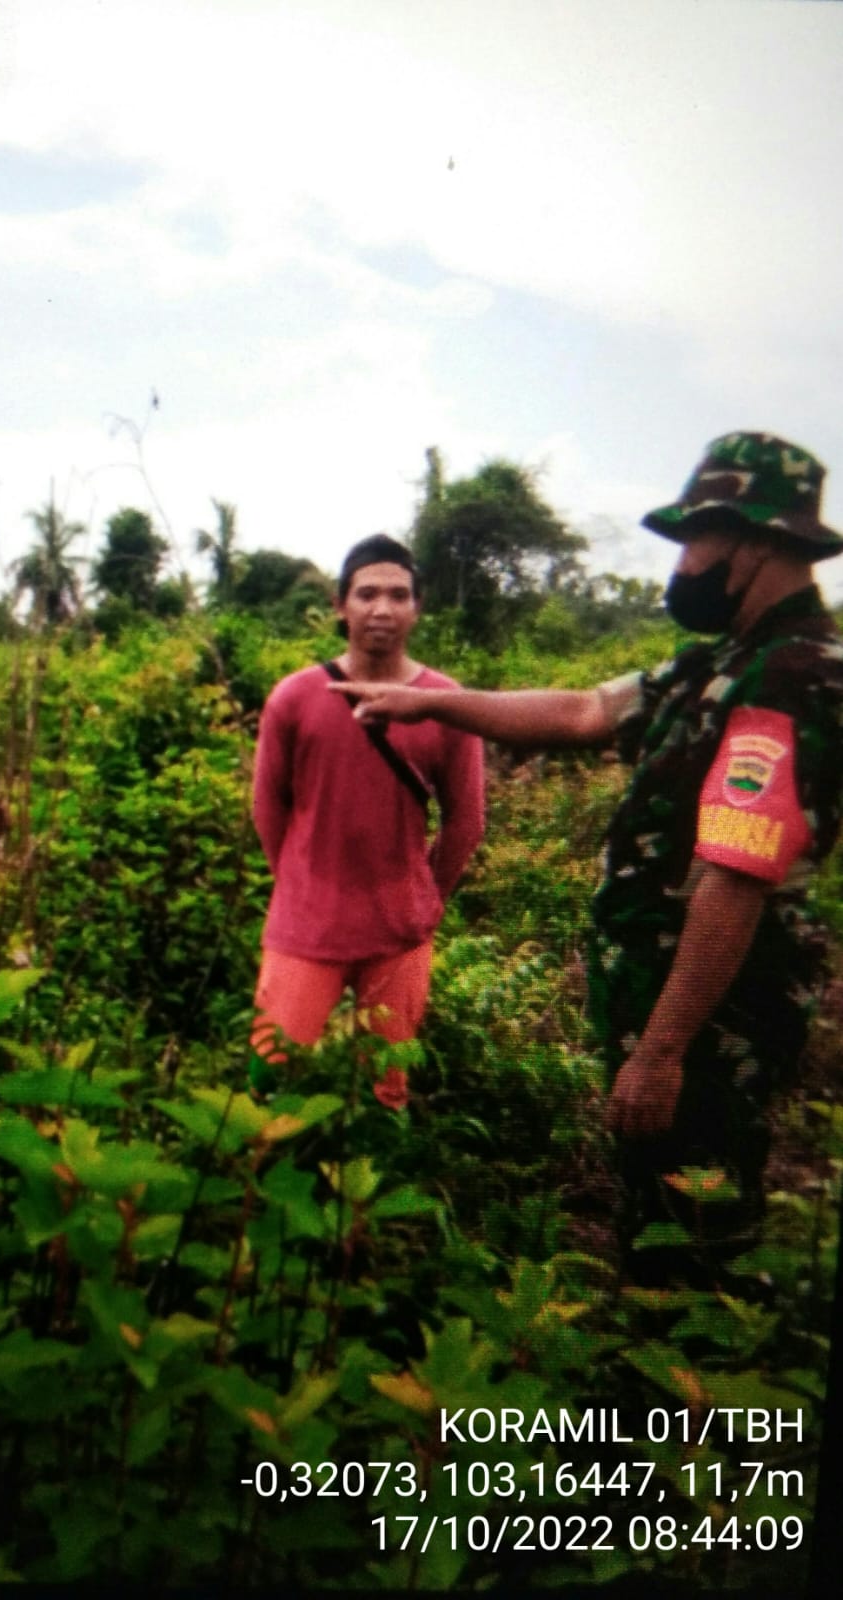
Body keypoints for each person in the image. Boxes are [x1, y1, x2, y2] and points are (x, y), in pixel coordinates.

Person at [331, 432, 843, 1282]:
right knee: (656, 1213)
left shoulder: (787, 681)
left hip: (715, 1029)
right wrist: (427, 706)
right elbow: (579, 711)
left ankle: (698, 1400)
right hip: (674, 1012)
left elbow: (735, 877)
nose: (681, 564)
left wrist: (662, 1052)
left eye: (694, 540)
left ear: (751, 539)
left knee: (694, 1228)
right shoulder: (719, 664)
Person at [251, 534, 485, 1104]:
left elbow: (466, 820)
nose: (382, 608)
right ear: (341, 605)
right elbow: (268, 806)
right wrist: (299, 882)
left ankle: (369, 1184)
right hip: (306, 926)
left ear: (417, 607)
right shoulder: (296, 697)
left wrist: (429, 896)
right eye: (367, 594)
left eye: (398, 595)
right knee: (270, 1077)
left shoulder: (447, 703)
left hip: (399, 928)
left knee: (387, 1084)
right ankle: (258, 1183)